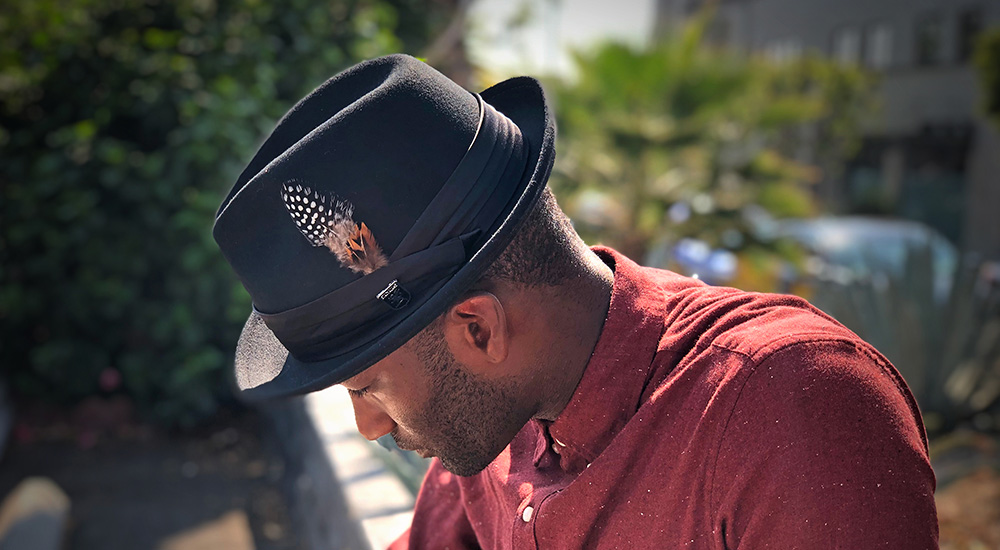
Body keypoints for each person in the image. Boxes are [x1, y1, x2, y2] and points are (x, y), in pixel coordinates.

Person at [213, 54, 938, 549]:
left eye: (366, 387)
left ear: (478, 328)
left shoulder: (791, 408)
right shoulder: (493, 415)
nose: (367, 427)